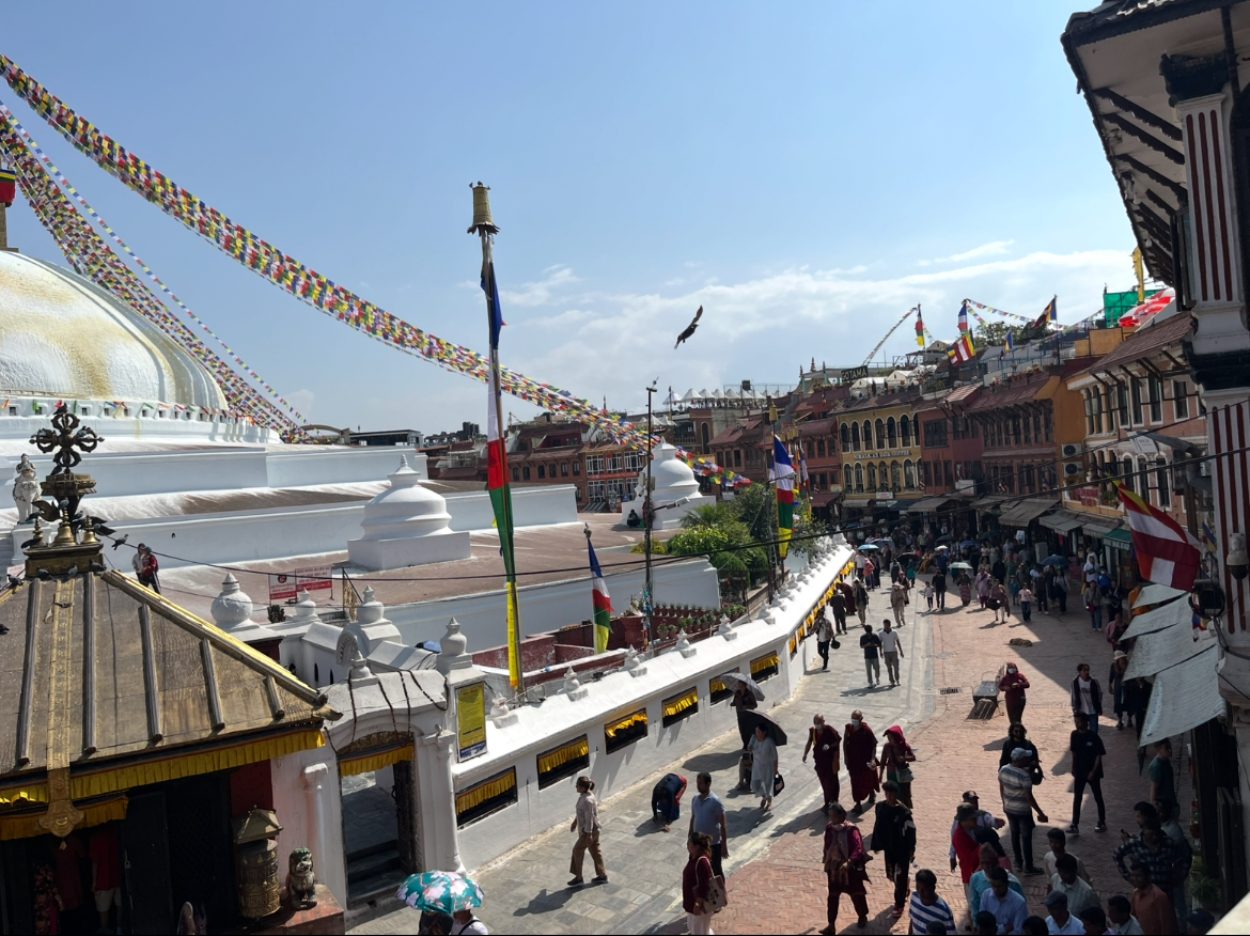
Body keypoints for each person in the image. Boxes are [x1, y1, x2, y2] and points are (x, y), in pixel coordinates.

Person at [999, 747, 1049, 874]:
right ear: (1021, 760)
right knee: (1026, 838)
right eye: (1026, 757)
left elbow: (1002, 787)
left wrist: (1004, 803)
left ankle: (1018, 863)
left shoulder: (1003, 769)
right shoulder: (1024, 776)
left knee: (1014, 835)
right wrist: (1040, 813)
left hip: (1009, 808)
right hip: (1022, 811)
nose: (1028, 759)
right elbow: (1029, 797)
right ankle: (1029, 866)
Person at [871, 779, 916, 918]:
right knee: (891, 875)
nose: (889, 797)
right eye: (887, 794)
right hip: (889, 849)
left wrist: (911, 849)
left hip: (902, 850)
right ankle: (904, 886)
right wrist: (876, 844)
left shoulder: (904, 813)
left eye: (891, 794)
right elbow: (877, 826)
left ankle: (899, 904)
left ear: (896, 794)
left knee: (900, 878)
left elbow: (911, 831)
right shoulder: (880, 807)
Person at [822, 802, 869, 933]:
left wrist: (849, 862)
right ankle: (831, 925)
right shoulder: (830, 828)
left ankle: (862, 915)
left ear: (842, 815)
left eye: (834, 816)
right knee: (832, 896)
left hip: (850, 870)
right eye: (830, 816)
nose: (832, 819)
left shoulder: (851, 830)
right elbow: (827, 845)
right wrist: (827, 859)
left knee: (857, 894)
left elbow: (858, 848)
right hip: (834, 869)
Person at [1065, 712, 1108, 834]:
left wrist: (1093, 772)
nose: (1077, 723)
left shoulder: (1093, 736)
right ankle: (1074, 824)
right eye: (1076, 721)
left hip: (1092, 773)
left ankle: (1102, 821)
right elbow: (1074, 752)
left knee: (1097, 797)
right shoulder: (1074, 735)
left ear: (1086, 722)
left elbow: (1099, 755)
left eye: (1079, 721)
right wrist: (1073, 768)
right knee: (1077, 798)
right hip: (1079, 771)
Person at [949, 791, 1006, 871]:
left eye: (975, 801)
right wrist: (952, 856)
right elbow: (954, 839)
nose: (974, 804)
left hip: (983, 858)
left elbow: (991, 821)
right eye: (971, 801)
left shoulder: (982, 815)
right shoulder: (958, 823)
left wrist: (996, 822)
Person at [568, 775, 607, 886]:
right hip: (592, 830)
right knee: (595, 851)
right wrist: (575, 822)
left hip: (589, 831)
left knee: (577, 850)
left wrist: (588, 834)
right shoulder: (586, 796)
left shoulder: (587, 800)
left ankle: (579, 877)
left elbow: (589, 818)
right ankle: (602, 875)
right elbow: (582, 813)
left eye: (577, 786)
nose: (576, 787)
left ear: (583, 787)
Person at [688, 772, 729, 878]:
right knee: (696, 869)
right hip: (697, 844)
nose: (698, 785)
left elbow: (723, 825)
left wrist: (724, 845)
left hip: (713, 845)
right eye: (697, 783)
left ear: (708, 784)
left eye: (700, 783)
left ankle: (721, 893)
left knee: (716, 871)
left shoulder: (715, 802)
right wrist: (690, 837)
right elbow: (693, 818)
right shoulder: (695, 800)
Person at [968, 843, 1024, 917]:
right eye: (983, 863)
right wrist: (976, 924)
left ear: (996, 862)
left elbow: (1020, 907)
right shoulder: (976, 879)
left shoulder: (1012, 882)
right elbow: (975, 905)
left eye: (990, 863)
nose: (988, 867)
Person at [803, 714, 841, 814]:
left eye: (819, 722)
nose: (817, 725)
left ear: (824, 722)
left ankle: (834, 801)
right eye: (816, 723)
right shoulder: (813, 731)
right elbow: (809, 742)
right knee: (824, 783)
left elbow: (837, 740)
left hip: (830, 762)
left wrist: (829, 745)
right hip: (820, 762)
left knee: (832, 782)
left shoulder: (829, 730)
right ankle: (827, 802)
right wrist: (805, 754)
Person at [844, 710, 879, 814]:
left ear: (861, 719)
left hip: (865, 761)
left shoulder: (866, 730)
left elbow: (873, 745)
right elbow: (845, 743)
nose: (853, 721)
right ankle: (858, 804)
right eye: (852, 718)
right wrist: (846, 757)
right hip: (853, 762)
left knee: (867, 779)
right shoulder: (848, 728)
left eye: (856, 719)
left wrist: (872, 759)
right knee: (855, 783)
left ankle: (872, 793)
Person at [1129, 861, 1177, 935]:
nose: (1135, 879)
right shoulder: (1135, 894)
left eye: (1138, 876)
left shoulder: (1159, 896)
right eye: (1133, 876)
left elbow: (1166, 926)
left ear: (1148, 877)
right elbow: (1133, 919)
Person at [682, 832, 716, 936]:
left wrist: (698, 903)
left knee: (699, 930)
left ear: (696, 846)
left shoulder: (702, 862)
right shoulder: (693, 857)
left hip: (700, 905)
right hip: (693, 903)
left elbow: (704, 885)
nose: (687, 845)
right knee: (694, 927)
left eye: (689, 843)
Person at [981, 866, 1030, 934]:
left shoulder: (1019, 902)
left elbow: (1018, 931)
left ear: (1007, 884)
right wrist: (1004, 929)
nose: (996, 890)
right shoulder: (985, 895)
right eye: (993, 886)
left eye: (999, 886)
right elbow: (983, 924)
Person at [909, 867, 957, 935]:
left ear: (933, 888)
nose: (920, 892)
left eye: (924, 889)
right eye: (918, 887)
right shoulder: (914, 897)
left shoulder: (944, 911)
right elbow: (912, 920)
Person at [878, 725, 915, 807]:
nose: (889, 740)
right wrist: (880, 775)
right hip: (891, 774)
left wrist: (904, 758)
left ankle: (904, 809)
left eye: (891, 738)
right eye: (888, 738)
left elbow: (913, 757)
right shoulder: (887, 746)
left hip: (902, 775)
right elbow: (883, 761)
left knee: (904, 793)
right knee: (892, 793)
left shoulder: (905, 746)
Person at [749, 723, 778, 812]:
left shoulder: (769, 742)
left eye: (758, 731)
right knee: (756, 785)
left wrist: (775, 768)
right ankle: (764, 797)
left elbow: (775, 756)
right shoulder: (753, 738)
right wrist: (750, 747)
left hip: (767, 768)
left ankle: (769, 802)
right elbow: (749, 748)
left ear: (764, 732)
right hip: (756, 767)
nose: (757, 733)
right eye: (756, 731)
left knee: (767, 785)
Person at [1071, 663, 1103, 736]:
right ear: (1079, 672)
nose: (1086, 672)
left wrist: (1098, 705)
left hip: (1093, 710)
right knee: (1081, 731)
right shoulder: (1075, 682)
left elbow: (1099, 694)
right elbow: (1073, 696)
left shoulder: (1094, 682)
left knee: (1094, 731)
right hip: (1082, 710)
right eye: (1084, 670)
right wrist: (1074, 708)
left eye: (1088, 670)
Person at [1148, 740, 1178, 816]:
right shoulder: (1157, 766)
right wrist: (1154, 804)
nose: (1170, 750)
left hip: (1169, 800)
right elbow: (1154, 787)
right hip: (1163, 805)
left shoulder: (1165, 760)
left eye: (1170, 747)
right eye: (1167, 748)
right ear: (1159, 749)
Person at [730, 683, 758, 753]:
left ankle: (751, 744)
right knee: (742, 731)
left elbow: (755, 705)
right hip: (740, 715)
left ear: (745, 686)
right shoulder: (737, 693)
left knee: (749, 731)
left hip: (748, 715)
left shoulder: (749, 694)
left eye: (741, 686)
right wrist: (733, 704)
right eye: (739, 686)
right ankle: (745, 744)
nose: (740, 687)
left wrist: (746, 706)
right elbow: (735, 701)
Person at [1108, 651, 1131, 730]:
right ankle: (1120, 720)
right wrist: (1110, 685)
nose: (1122, 660)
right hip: (1118, 688)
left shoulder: (1129, 665)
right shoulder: (1114, 666)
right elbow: (1111, 676)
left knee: (1129, 703)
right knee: (1118, 704)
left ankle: (1129, 718)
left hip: (1127, 687)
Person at [880, 619, 904, 687]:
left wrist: (901, 651)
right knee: (889, 668)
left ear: (889, 625)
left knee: (896, 667)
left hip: (894, 651)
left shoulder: (894, 632)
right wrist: (880, 652)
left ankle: (897, 679)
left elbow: (898, 642)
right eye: (884, 625)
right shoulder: (881, 633)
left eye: (886, 625)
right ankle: (891, 681)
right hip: (886, 652)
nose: (885, 626)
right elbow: (880, 643)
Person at [860, 623, 883, 687]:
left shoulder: (875, 636)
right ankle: (870, 682)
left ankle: (877, 678)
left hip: (874, 655)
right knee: (868, 670)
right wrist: (867, 645)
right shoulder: (863, 637)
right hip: (867, 656)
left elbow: (879, 644)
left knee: (877, 668)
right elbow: (861, 646)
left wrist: (875, 645)